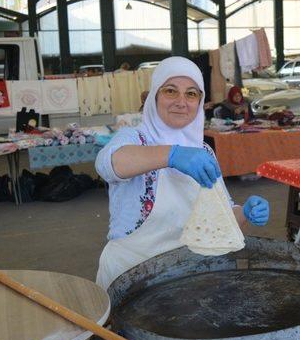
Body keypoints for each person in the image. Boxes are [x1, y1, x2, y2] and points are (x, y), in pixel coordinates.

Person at [95, 57, 270, 289]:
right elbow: (108, 164)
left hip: (184, 275)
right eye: (170, 91)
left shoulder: (203, 150)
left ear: (200, 101)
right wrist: (172, 155)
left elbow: (222, 216)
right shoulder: (134, 138)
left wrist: (245, 213)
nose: (181, 102)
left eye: (191, 94)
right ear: (155, 96)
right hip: (129, 275)